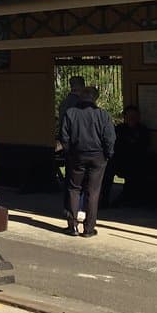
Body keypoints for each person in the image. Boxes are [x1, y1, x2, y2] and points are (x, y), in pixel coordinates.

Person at [61, 86, 115, 237]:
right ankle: (89, 229)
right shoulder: (102, 115)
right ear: (95, 98)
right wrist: (108, 154)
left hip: (76, 155)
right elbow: (109, 137)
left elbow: (64, 136)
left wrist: (69, 152)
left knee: (73, 189)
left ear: (81, 96)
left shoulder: (70, 113)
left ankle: (72, 226)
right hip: (98, 156)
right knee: (93, 191)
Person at [110, 105, 152, 206]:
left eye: (134, 116)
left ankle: (135, 196)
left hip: (138, 161)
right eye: (129, 116)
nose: (131, 119)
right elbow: (116, 145)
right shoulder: (119, 129)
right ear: (125, 117)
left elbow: (144, 146)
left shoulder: (143, 130)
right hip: (121, 160)